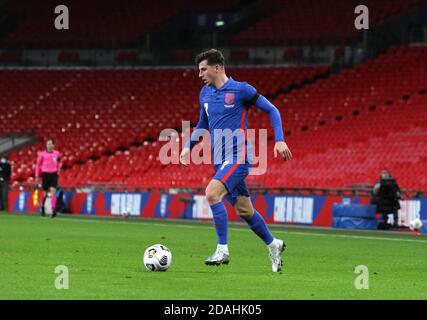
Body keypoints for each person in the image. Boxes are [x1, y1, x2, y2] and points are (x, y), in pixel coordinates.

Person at [180, 49, 292, 272]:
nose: (199, 74)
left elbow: (272, 109)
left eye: (203, 69)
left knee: (212, 193)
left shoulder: (241, 90)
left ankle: (222, 249)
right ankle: (274, 244)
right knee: (244, 210)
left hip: (239, 156)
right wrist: (187, 146)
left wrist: (280, 140)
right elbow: (203, 123)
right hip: (219, 159)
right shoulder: (204, 93)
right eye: (198, 70)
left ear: (217, 68)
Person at [35, 139, 62, 217]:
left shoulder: (57, 153)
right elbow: (37, 165)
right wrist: (37, 176)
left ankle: (53, 210)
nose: (49, 145)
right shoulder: (42, 154)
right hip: (45, 174)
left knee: (53, 192)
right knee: (45, 194)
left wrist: (58, 169)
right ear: (46, 145)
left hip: (54, 174)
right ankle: (43, 207)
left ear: (53, 145)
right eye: (47, 144)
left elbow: (60, 161)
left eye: (50, 144)